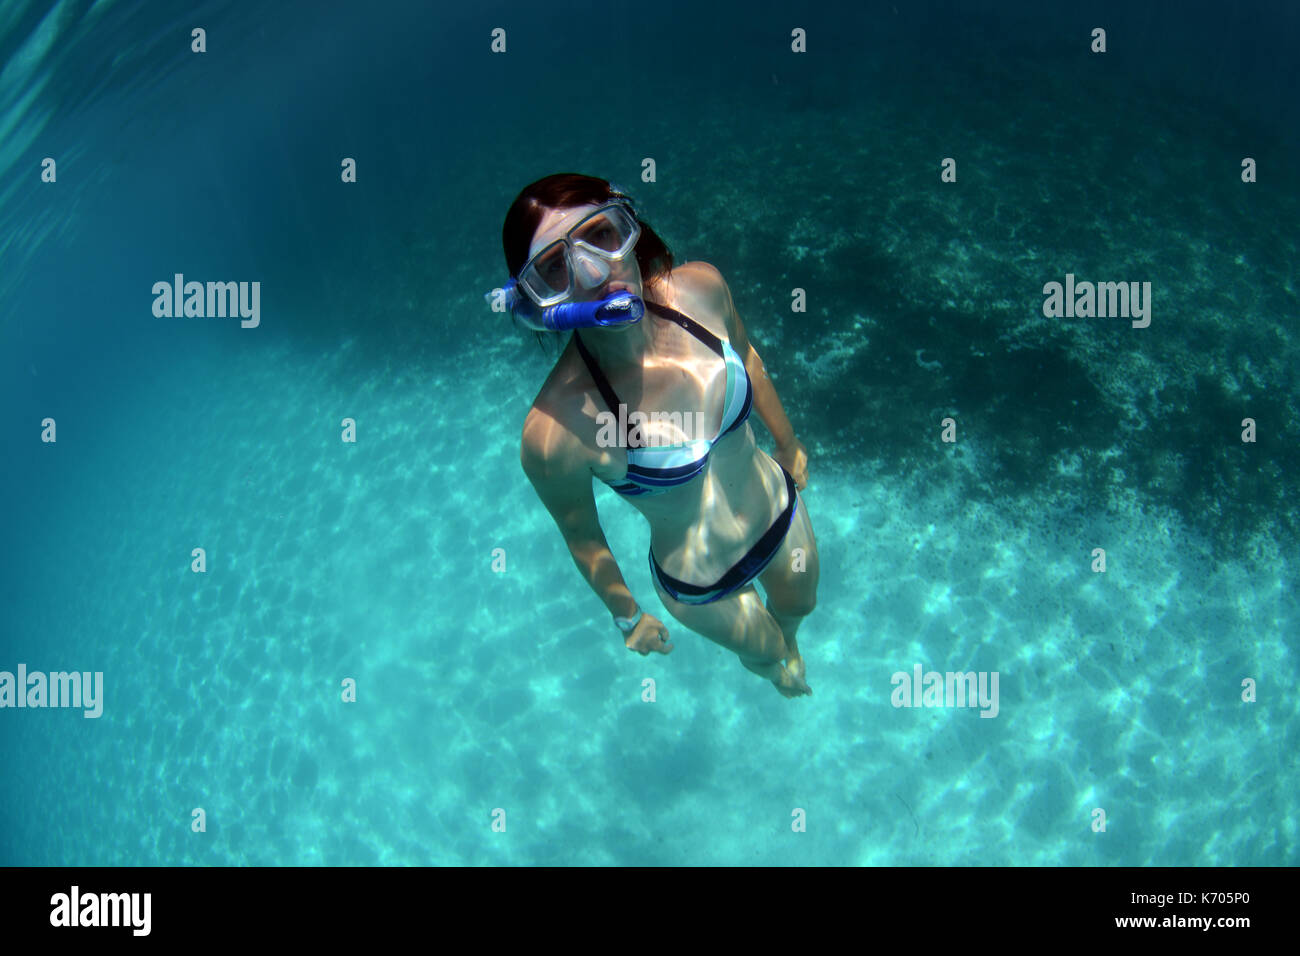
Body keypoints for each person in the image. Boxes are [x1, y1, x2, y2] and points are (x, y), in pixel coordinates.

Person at [495, 173, 819, 697]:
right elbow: (582, 535)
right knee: (764, 651)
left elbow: (750, 358)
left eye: (602, 234)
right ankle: (775, 662)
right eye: (556, 268)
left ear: (631, 228)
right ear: (538, 304)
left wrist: (789, 443)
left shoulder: (701, 289)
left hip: (779, 510)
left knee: (799, 607)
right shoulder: (553, 435)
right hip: (700, 582)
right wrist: (628, 617)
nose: (596, 272)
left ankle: (792, 642)